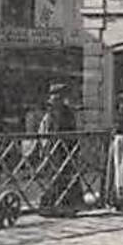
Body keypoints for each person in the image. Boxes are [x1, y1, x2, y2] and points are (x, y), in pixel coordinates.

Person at [38, 83, 84, 213]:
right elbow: (45, 131)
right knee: (55, 176)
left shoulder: (67, 113)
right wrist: (44, 148)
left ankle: (66, 203)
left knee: (66, 175)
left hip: (65, 148)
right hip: (55, 148)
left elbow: (72, 130)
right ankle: (52, 204)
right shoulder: (50, 114)